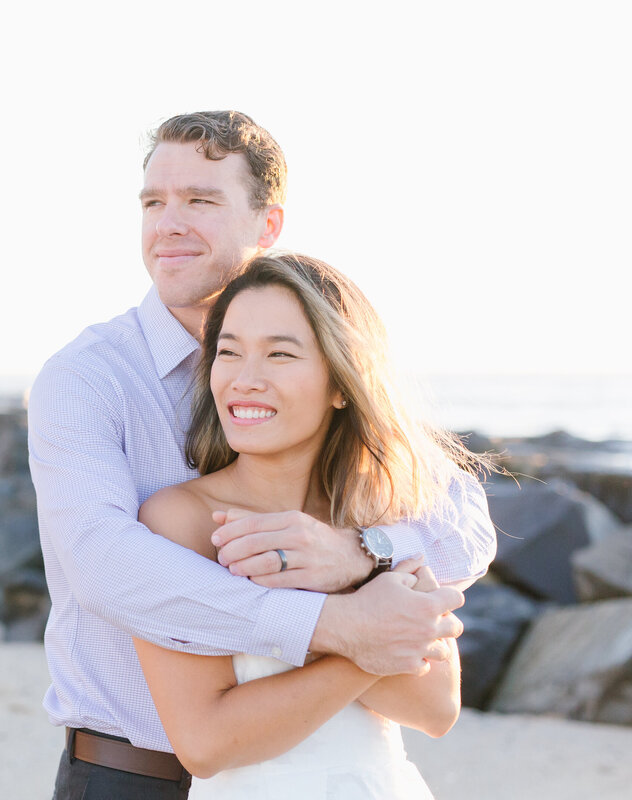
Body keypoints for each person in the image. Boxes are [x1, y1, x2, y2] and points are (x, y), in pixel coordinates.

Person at [27, 110, 495, 799]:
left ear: (267, 224)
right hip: (133, 772)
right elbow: (104, 566)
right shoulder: (86, 379)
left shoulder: (344, 439)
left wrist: (362, 556)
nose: (169, 224)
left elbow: (463, 517)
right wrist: (345, 625)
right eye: (154, 202)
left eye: (201, 201)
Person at [135, 251, 489, 797]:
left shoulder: (377, 522)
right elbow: (205, 742)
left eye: (280, 354)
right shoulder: (181, 520)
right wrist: (366, 631)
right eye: (229, 352)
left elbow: (437, 707)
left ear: (341, 383)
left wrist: (351, 583)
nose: (245, 380)